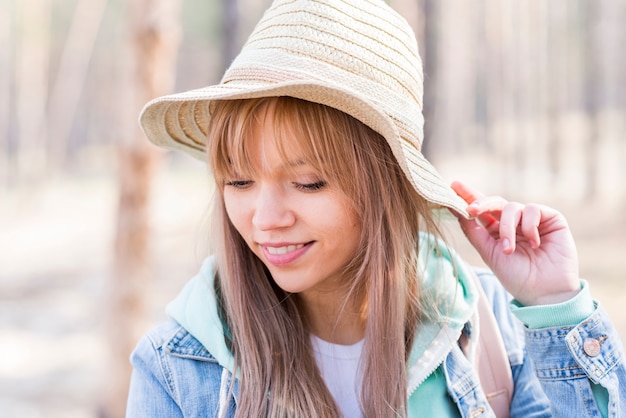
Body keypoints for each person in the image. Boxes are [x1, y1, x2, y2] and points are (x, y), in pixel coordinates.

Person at [127, 0, 626, 416]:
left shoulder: (492, 322)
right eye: (238, 181)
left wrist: (553, 305)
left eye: (307, 182)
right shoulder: (176, 367)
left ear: (386, 182)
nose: (264, 219)